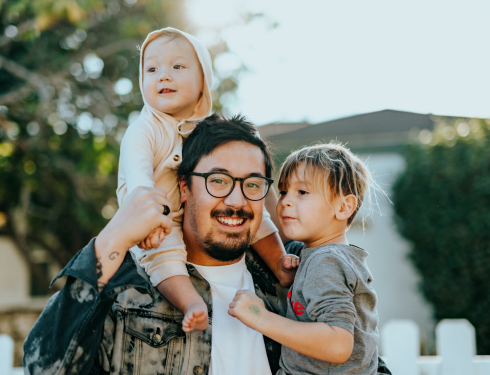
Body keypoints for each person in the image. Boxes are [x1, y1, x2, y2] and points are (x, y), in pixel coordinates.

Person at [24, 114, 290, 375]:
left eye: (253, 184)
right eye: (218, 181)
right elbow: (44, 369)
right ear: (184, 188)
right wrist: (114, 236)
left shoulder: (295, 283)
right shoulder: (125, 294)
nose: (236, 201)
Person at [116, 27, 297, 334]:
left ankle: (279, 263)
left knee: (258, 216)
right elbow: (139, 182)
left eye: (177, 67)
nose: (163, 76)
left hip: (178, 214)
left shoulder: (209, 131)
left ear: (204, 81)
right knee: (164, 257)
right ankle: (191, 303)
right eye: (152, 69)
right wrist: (149, 222)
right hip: (154, 220)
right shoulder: (144, 129)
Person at [229, 143, 385, 374]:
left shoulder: (325, 261)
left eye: (302, 192)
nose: (285, 202)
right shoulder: (329, 257)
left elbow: (338, 345)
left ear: (344, 207)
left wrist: (260, 317)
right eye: (283, 192)